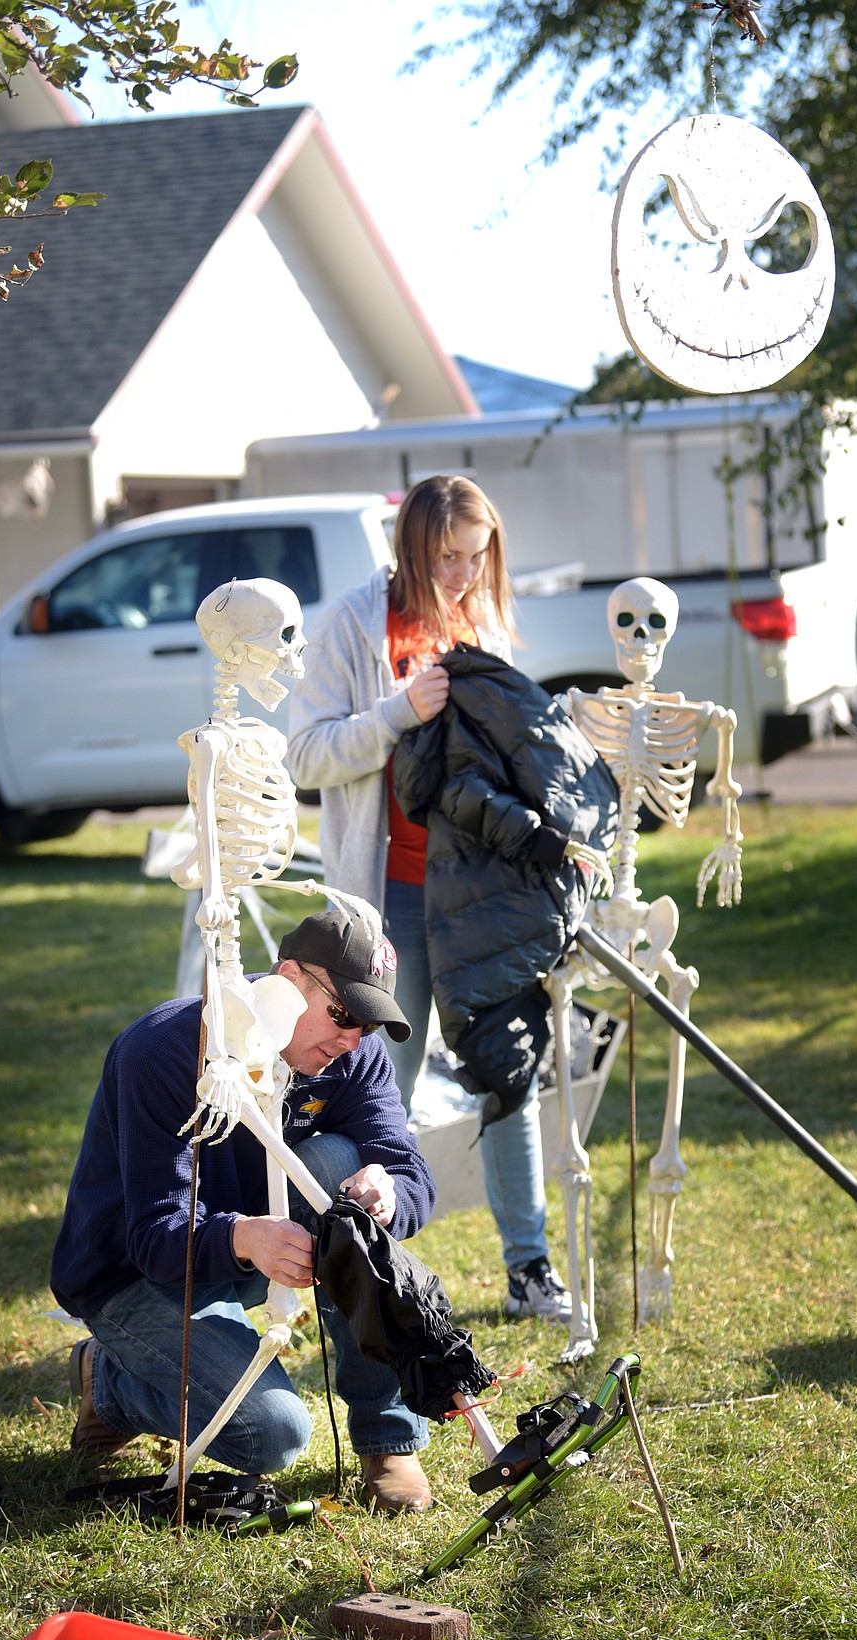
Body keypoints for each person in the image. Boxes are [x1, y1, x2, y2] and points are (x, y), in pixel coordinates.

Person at [287, 474, 574, 1322]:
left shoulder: (483, 619)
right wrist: (395, 712)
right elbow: (305, 757)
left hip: (481, 898)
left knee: (506, 1076)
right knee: (385, 1087)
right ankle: (369, 1275)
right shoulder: (352, 621)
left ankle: (530, 1272)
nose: (461, 575)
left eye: (476, 558)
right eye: (448, 557)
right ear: (412, 546)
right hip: (392, 898)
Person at [50, 897, 437, 1515]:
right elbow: (153, 1235)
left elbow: (410, 1170)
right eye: (343, 1013)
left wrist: (390, 1190)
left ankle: (386, 1438)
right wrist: (242, 1239)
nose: (353, 1038)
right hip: (133, 1274)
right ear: (289, 983)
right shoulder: (162, 1051)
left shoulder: (354, 1055)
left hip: (246, 1247)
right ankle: (109, 1380)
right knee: (275, 1433)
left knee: (344, 1169)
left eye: (368, 1023)